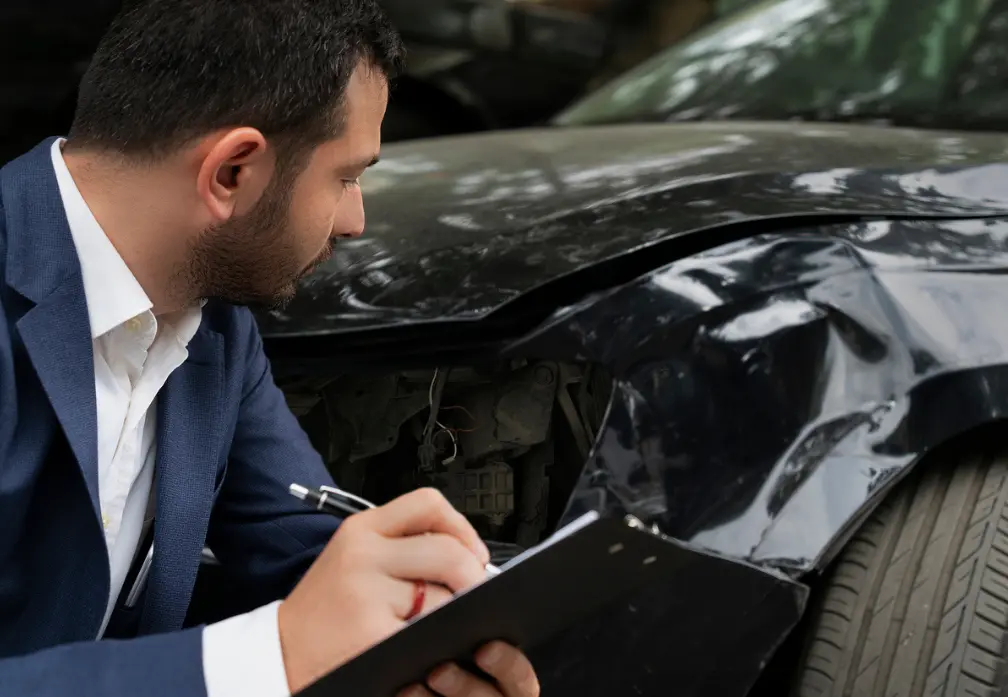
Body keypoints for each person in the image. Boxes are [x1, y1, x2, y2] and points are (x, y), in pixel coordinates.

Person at [0, 1, 541, 696]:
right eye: (346, 176)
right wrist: (273, 655)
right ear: (233, 172)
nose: (356, 220)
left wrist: (448, 630)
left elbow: (304, 543)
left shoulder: (216, 327)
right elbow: (294, 635)